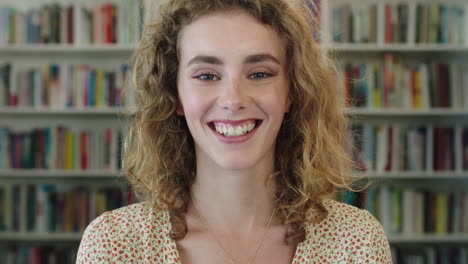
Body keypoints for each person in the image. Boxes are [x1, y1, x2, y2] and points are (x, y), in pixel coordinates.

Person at [77, 0, 392, 263]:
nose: (233, 100)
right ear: (174, 96)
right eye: (207, 75)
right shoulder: (113, 245)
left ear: (292, 91)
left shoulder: (356, 242)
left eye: (259, 73)